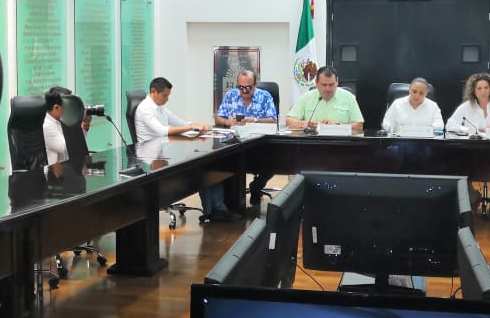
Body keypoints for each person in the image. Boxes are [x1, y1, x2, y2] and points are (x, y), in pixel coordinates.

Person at [135, 76, 237, 222]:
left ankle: (217, 210)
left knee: (209, 165)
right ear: (153, 92)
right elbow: (162, 131)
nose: (167, 99)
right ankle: (212, 211)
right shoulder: (145, 109)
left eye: (168, 96)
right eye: (165, 96)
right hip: (152, 161)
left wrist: (200, 126)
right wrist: (191, 128)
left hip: (165, 153)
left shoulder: (161, 108)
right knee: (201, 170)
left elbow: (181, 123)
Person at [448, 73, 490, 214]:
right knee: (460, 168)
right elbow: (450, 124)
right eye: (479, 88)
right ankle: (474, 197)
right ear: (473, 91)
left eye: (486, 87)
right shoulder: (466, 107)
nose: (483, 91)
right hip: (472, 151)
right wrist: (465, 129)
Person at [214, 68, 278, 202]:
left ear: (255, 85)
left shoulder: (265, 96)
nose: (244, 91)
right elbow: (218, 117)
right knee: (224, 162)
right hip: (235, 145)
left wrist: (254, 120)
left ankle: (256, 186)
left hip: (259, 145)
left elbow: (273, 120)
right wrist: (227, 121)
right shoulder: (231, 95)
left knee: (274, 163)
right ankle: (233, 201)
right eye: (240, 87)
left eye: (248, 88)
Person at [285, 66, 364, 134]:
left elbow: (359, 126)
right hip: (312, 141)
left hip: (340, 142)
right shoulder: (306, 97)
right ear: (316, 82)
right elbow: (289, 121)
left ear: (337, 81)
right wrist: (307, 124)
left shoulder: (349, 98)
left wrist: (337, 126)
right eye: (324, 85)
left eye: (331, 85)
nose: (328, 89)